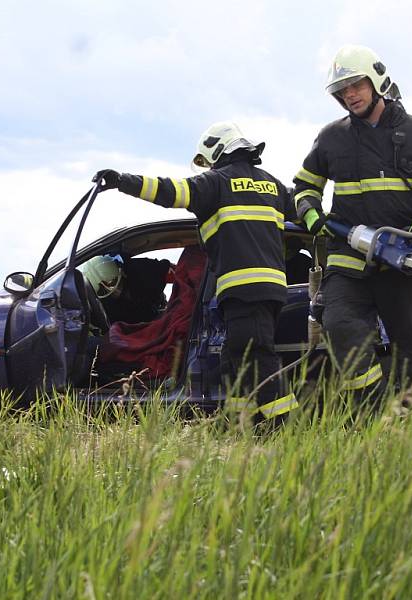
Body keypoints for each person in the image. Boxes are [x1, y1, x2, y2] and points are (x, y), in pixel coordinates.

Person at [94, 121, 299, 430]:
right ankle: (238, 424)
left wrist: (122, 181)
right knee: (234, 359)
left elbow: (167, 191)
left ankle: (286, 427)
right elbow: (304, 207)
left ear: (218, 151)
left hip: (243, 288)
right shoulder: (272, 185)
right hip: (268, 289)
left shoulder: (217, 182)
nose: (209, 167)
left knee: (257, 358)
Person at [293, 44, 412, 409]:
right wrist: (311, 215)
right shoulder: (331, 137)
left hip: (402, 260)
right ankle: (368, 411)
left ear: (376, 81)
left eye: (356, 85)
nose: (350, 95)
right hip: (347, 257)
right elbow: (304, 186)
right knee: (338, 324)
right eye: (342, 91)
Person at [80, 254, 174, 324]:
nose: (114, 291)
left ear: (122, 272)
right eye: (103, 291)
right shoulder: (101, 309)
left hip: (162, 310)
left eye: (113, 282)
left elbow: (179, 273)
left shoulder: (145, 269)